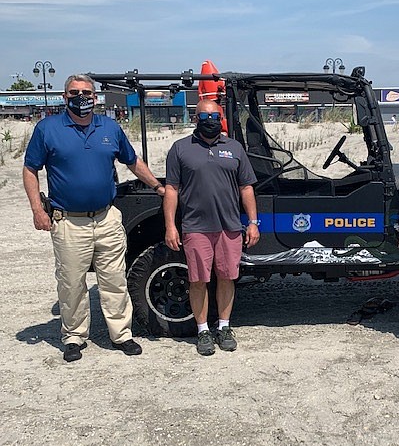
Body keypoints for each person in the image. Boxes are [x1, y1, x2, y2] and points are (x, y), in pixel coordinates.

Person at [23, 74, 166, 363]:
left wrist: (159, 187)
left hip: (106, 218)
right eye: (74, 92)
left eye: (86, 92)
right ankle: (74, 336)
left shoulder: (110, 128)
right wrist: (37, 209)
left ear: (96, 96)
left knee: (114, 279)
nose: (81, 97)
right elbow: (30, 169)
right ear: (65, 98)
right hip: (68, 221)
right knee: (71, 282)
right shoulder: (47, 129)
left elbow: (132, 161)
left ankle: (121, 334)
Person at [164, 99, 259, 356]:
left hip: (229, 226)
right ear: (195, 119)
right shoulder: (180, 148)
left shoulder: (234, 148)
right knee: (198, 280)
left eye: (214, 117)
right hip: (195, 227)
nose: (210, 122)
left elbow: (246, 187)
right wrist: (170, 226)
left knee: (227, 277)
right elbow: (171, 189)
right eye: (204, 118)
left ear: (221, 119)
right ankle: (203, 330)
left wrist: (252, 222)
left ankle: (225, 327)